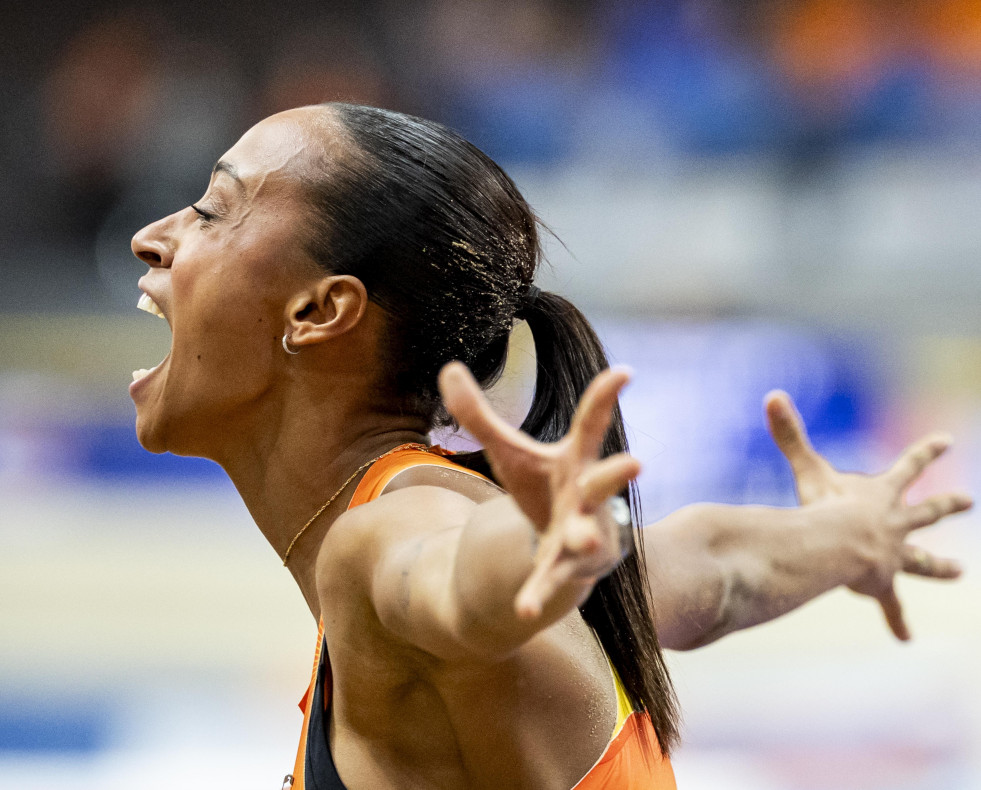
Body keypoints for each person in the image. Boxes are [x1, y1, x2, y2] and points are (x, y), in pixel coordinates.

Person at [128, 103, 971, 790]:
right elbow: (713, 567)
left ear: (319, 312)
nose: (154, 236)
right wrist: (845, 532)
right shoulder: (488, 535)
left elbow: (448, 581)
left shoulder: (384, 536)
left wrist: (527, 552)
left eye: (211, 209)